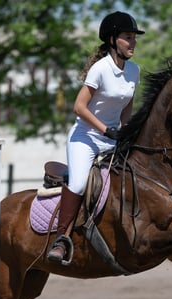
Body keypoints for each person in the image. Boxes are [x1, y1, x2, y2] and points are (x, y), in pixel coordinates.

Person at [47, 11, 145, 263]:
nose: (133, 43)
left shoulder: (134, 70)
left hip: (113, 138)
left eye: (134, 38)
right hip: (86, 137)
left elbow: (127, 105)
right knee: (79, 183)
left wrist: (126, 132)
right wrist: (105, 129)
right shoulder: (100, 69)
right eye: (128, 38)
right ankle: (61, 239)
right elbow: (78, 107)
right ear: (113, 40)